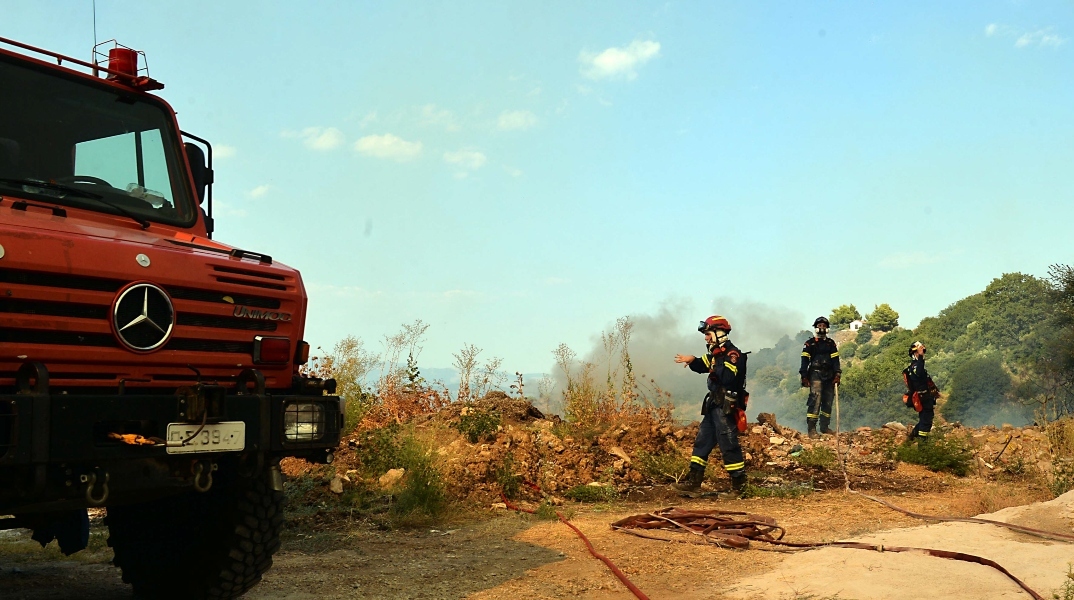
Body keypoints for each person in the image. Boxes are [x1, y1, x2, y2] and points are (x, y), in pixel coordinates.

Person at [671, 315, 748, 498]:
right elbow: (701, 365)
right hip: (714, 405)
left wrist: (716, 357)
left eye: (708, 334)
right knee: (702, 442)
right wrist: (691, 360)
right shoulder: (716, 354)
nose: (706, 338)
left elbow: (728, 378)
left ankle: (739, 487)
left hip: (726, 407)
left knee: (728, 444)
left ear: (719, 333)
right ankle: (694, 483)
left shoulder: (732, 354)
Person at [800, 316, 841, 438]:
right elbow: (804, 360)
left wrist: (837, 374)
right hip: (815, 374)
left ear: (827, 328)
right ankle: (811, 429)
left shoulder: (831, 344)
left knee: (828, 401)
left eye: (824, 326)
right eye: (819, 326)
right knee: (815, 400)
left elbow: (835, 360)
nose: (822, 328)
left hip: (829, 375)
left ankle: (824, 427)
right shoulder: (809, 343)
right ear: (815, 327)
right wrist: (804, 376)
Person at [903, 341, 939, 442]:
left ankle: (912, 437)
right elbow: (919, 371)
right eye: (919, 351)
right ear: (915, 354)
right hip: (922, 398)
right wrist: (920, 357)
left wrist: (935, 393)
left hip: (926, 397)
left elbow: (926, 381)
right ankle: (922, 446)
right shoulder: (915, 367)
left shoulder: (916, 366)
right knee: (926, 422)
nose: (922, 353)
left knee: (925, 419)